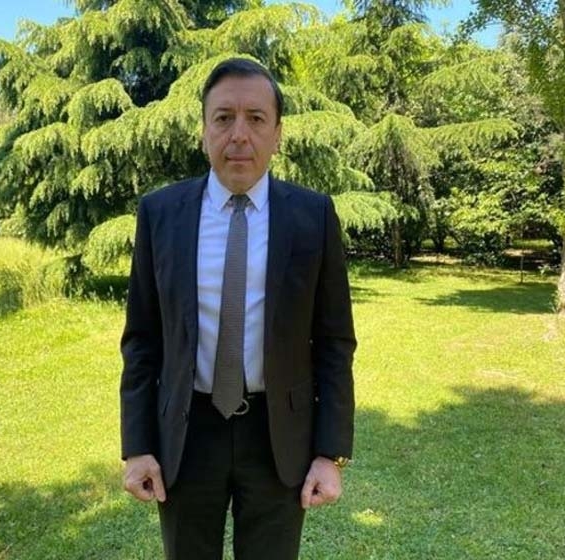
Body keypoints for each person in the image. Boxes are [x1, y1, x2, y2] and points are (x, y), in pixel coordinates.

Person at [120, 57, 357, 560]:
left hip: (279, 438)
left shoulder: (313, 216)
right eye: (224, 118)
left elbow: (334, 343)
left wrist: (329, 453)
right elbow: (142, 339)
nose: (239, 135)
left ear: (278, 133)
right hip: (186, 435)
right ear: (203, 130)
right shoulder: (161, 214)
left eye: (256, 118)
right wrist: (137, 445)